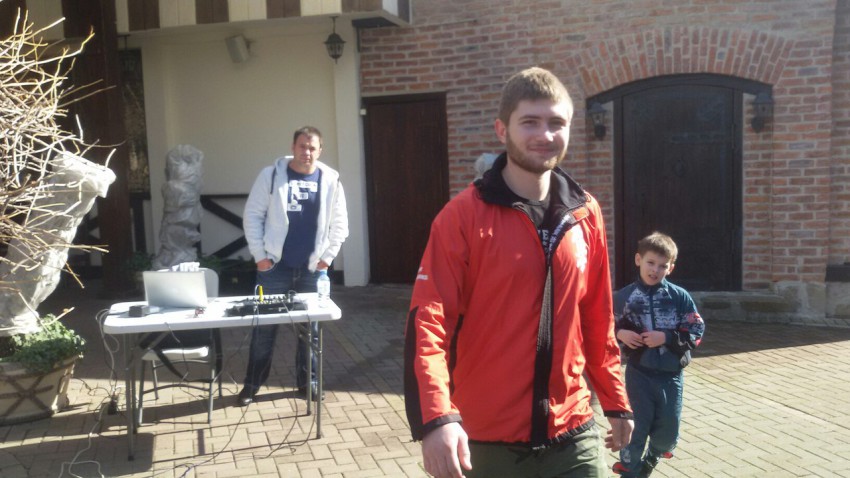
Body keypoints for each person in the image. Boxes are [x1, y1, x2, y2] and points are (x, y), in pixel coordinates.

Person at [403, 67, 634, 478]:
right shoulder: (462, 217)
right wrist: (436, 418)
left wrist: (616, 401)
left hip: (572, 430)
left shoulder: (585, 213)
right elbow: (429, 323)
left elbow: (598, 318)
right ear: (502, 129)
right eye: (530, 122)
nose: (545, 134)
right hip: (485, 441)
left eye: (556, 123)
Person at [238, 126, 349, 406]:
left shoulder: (331, 180)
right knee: (264, 328)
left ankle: (309, 383)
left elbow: (340, 225)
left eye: (312, 147)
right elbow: (252, 216)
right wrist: (260, 256)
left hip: (312, 272)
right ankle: (252, 385)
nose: (306, 152)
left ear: (320, 151)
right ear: (293, 147)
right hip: (273, 269)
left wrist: (327, 258)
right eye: (302, 146)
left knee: (310, 331)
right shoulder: (271, 175)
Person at [612, 232, 705, 477]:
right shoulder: (623, 297)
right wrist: (619, 333)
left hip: (670, 375)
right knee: (636, 426)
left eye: (663, 266)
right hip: (639, 373)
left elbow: (696, 330)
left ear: (670, 268)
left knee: (667, 432)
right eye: (650, 262)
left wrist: (666, 338)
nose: (655, 270)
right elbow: (602, 327)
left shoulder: (679, 297)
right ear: (638, 260)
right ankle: (630, 470)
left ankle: (654, 455)